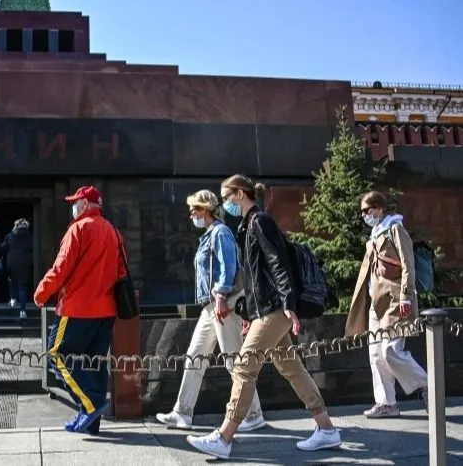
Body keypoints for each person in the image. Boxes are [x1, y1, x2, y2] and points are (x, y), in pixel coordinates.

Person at [187, 175, 341, 459]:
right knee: (290, 366)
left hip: (276, 307)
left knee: (245, 367)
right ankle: (327, 429)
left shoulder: (260, 222)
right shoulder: (248, 225)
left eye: (227, 196)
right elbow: (256, 278)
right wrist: (250, 313)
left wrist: (288, 304)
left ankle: (224, 436)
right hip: (266, 308)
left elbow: (278, 264)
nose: (225, 203)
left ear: (241, 194)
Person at [155, 190, 266, 432]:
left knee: (233, 360)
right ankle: (182, 412)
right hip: (211, 305)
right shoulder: (208, 235)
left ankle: (254, 413)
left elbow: (229, 267)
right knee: (195, 355)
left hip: (222, 302)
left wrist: (221, 296)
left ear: (205, 210)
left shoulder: (220, 233)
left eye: (194, 209)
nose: (191, 214)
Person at [34, 186, 125, 434]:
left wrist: (41, 293)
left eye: (76, 202)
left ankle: (91, 405)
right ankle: (91, 421)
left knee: (57, 356)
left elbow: (60, 268)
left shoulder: (78, 229)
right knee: (94, 362)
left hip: (76, 309)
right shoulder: (113, 232)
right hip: (106, 310)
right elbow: (121, 273)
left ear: (85, 204)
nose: (73, 206)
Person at [345, 191, 428, 418]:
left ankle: (427, 384)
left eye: (368, 210)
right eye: (362, 211)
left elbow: (408, 265)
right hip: (376, 302)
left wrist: (406, 296)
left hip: (394, 300)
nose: (364, 215)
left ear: (380, 208)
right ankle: (386, 403)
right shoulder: (374, 234)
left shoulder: (395, 229)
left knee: (390, 350)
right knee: (375, 354)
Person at [1, 218, 33, 320]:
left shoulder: (10, 236)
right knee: (22, 286)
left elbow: (2, 247)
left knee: (12, 280)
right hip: (24, 263)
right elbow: (31, 248)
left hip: (12, 262)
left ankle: (13, 298)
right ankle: (23, 311)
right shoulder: (29, 237)